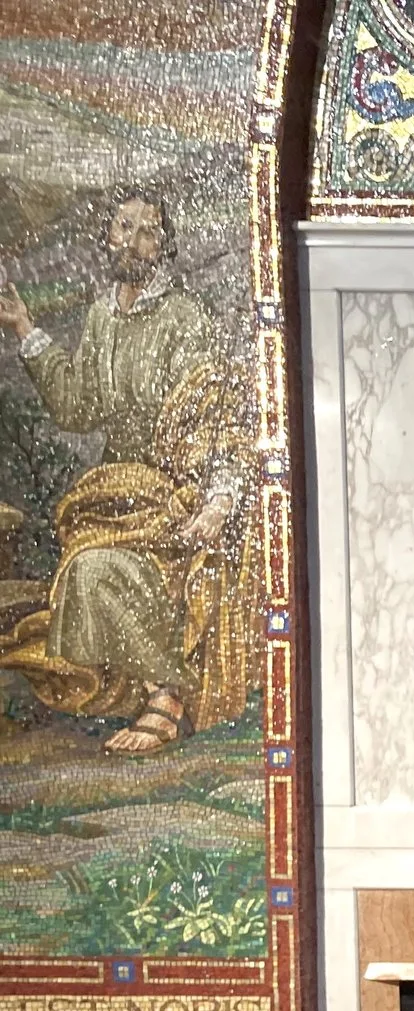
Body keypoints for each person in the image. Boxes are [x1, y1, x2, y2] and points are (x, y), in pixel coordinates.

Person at [0, 192, 252, 754]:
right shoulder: (101, 317)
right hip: (113, 499)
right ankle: (133, 690)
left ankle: (167, 694)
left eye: (148, 232)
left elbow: (216, 415)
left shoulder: (184, 319)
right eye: (124, 226)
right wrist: (24, 329)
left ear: (163, 247)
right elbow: (78, 406)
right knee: (82, 572)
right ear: (108, 235)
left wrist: (219, 500)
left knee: (95, 571)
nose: (133, 241)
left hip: (171, 497)